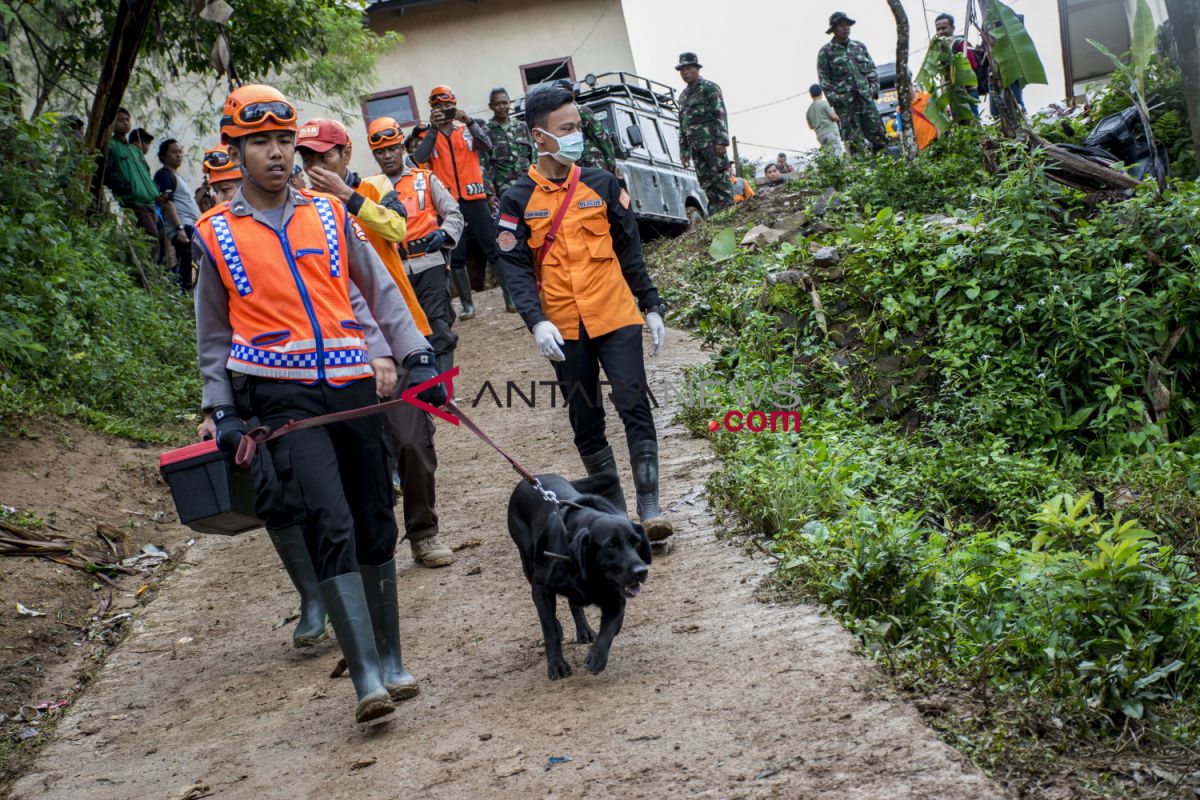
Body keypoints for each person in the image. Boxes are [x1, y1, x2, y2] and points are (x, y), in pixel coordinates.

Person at [193, 84, 444, 724]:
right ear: (236, 149)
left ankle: (391, 658)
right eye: (260, 143)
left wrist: (415, 355)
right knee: (326, 520)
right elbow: (213, 335)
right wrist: (221, 410)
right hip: (279, 397)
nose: (276, 154)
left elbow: (377, 289)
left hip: (352, 384)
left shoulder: (331, 215)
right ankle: (365, 678)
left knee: (371, 515)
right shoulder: (214, 234)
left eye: (283, 140)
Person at [496, 83, 675, 545]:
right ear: (540, 137)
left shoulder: (601, 183)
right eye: (568, 129)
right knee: (585, 415)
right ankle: (616, 516)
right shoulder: (516, 200)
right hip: (563, 326)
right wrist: (536, 321)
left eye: (577, 126)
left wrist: (651, 304)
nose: (577, 136)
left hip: (614, 314)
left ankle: (650, 509)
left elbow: (630, 250)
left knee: (634, 400)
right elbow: (513, 268)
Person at [296, 116, 456, 570]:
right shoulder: (299, 207)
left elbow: (397, 228)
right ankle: (374, 545)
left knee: (411, 440)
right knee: (362, 449)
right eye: (305, 158)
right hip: (340, 343)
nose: (313, 166)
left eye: (323, 156)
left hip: (401, 332)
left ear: (344, 155)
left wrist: (346, 197)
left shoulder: (373, 189)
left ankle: (424, 532)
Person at [368, 116, 464, 378]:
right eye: (380, 152)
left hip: (429, 260)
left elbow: (454, 213)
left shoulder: (425, 179)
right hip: (394, 267)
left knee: (438, 323)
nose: (387, 156)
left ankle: (444, 390)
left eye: (392, 149)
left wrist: (444, 233)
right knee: (404, 328)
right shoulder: (371, 188)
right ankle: (423, 384)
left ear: (402, 148)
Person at [411, 85, 514, 317]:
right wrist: (433, 130)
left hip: (474, 197)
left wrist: (469, 122)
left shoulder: (466, 130)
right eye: (438, 107)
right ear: (432, 110)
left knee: (492, 246)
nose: (444, 110)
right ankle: (468, 305)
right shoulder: (430, 135)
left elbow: (487, 146)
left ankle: (510, 297)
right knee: (456, 254)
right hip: (447, 203)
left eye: (448, 106)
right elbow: (419, 158)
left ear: (455, 106)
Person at [817, 12, 888, 154]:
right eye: (841, 25)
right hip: (846, 106)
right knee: (854, 143)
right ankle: (863, 174)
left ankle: (885, 170)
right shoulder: (826, 52)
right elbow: (824, 80)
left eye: (847, 25)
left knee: (879, 136)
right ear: (834, 30)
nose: (845, 28)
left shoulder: (859, 47)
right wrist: (836, 100)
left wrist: (873, 89)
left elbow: (872, 70)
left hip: (866, 100)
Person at [676, 52, 734, 212]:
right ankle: (716, 214)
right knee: (706, 182)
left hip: (712, 144)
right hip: (695, 147)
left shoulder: (709, 88)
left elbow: (719, 113)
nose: (685, 72)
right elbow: (683, 125)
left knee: (720, 178)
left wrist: (722, 141)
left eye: (688, 68)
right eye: (682, 70)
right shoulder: (683, 96)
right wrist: (684, 151)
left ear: (697, 68)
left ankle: (730, 211)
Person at [102, 108, 163, 260]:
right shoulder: (111, 146)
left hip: (148, 202)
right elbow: (107, 174)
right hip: (133, 202)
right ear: (113, 123)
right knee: (151, 237)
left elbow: (146, 174)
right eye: (120, 120)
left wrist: (155, 191)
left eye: (127, 120)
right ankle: (147, 272)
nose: (125, 123)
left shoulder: (134, 150)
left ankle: (150, 272)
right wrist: (127, 187)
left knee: (152, 239)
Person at [154, 138, 202, 291]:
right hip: (183, 227)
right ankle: (185, 295)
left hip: (190, 225)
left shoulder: (178, 177)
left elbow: (189, 202)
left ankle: (190, 295)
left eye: (180, 151)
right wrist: (179, 228)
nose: (179, 155)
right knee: (187, 265)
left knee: (195, 263)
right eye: (174, 152)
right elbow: (168, 203)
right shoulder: (164, 175)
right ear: (163, 156)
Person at [482, 87, 535, 207]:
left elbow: (534, 156)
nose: (502, 107)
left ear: (510, 103)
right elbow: (484, 165)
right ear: (491, 106)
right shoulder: (486, 132)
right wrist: (490, 195)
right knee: (512, 222)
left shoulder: (522, 126)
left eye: (505, 103)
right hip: (504, 191)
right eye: (497, 104)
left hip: (529, 184)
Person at [554, 78, 618, 174]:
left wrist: (612, 164)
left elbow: (601, 136)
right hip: (571, 169)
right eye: (555, 94)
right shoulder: (553, 117)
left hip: (593, 164)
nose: (559, 97)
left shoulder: (581, 111)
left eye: (563, 93)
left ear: (572, 94)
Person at [805, 84, 845, 158]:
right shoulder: (824, 103)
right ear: (821, 93)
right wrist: (841, 117)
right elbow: (834, 117)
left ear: (811, 95)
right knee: (838, 155)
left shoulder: (808, 111)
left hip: (820, 136)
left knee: (830, 157)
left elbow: (811, 127)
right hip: (830, 132)